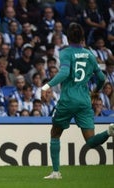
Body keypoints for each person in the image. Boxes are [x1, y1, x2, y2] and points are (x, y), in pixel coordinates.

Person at [41, 22, 114, 179]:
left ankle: (56, 172)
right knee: (90, 141)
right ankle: (109, 131)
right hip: (84, 101)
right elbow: (101, 77)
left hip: (67, 100)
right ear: (82, 38)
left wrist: (47, 86)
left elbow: (64, 72)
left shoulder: (65, 52)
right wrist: (95, 91)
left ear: (67, 38)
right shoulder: (90, 55)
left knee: (55, 133)